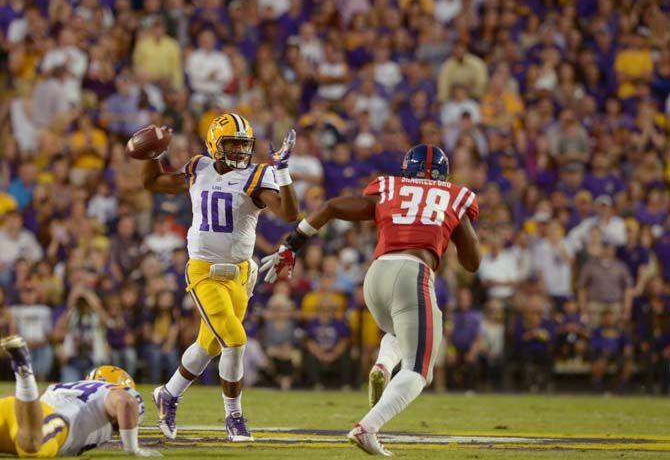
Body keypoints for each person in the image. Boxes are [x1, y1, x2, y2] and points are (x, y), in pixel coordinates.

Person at [261, 144, 480, 456]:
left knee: (397, 332)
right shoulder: (455, 196)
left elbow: (332, 206)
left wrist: (292, 244)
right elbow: (472, 263)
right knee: (420, 370)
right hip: (413, 273)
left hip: (376, 276)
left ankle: (383, 363)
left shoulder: (390, 186)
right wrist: (457, 227)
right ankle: (368, 427)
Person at [139, 113, 299, 441]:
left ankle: (168, 394)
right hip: (204, 272)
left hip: (239, 274)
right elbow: (153, 183)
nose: (241, 152)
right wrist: (153, 155)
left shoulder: (257, 175)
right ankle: (234, 417)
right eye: (233, 144)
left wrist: (282, 171)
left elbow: (289, 214)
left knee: (207, 345)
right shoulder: (198, 167)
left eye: (244, 145)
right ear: (215, 143)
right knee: (235, 339)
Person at [0, 336, 157, 456]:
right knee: (32, 446)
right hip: (52, 420)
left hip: (19, 408)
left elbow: (16, 399)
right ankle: (24, 372)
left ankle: (25, 379)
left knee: (23, 440)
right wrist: (132, 449)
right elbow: (126, 402)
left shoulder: (66, 386)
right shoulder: (114, 391)